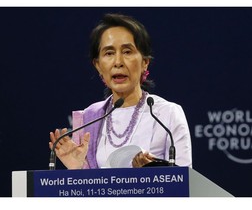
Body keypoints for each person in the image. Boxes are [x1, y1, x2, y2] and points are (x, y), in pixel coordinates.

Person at [49, 13, 192, 169]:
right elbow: (86, 189)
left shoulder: (167, 114)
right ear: (98, 65)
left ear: (145, 62)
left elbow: (185, 183)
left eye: (127, 52)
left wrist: (152, 172)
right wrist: (77, 169)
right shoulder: (90, 118)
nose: (118, 62)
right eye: (109, 53)